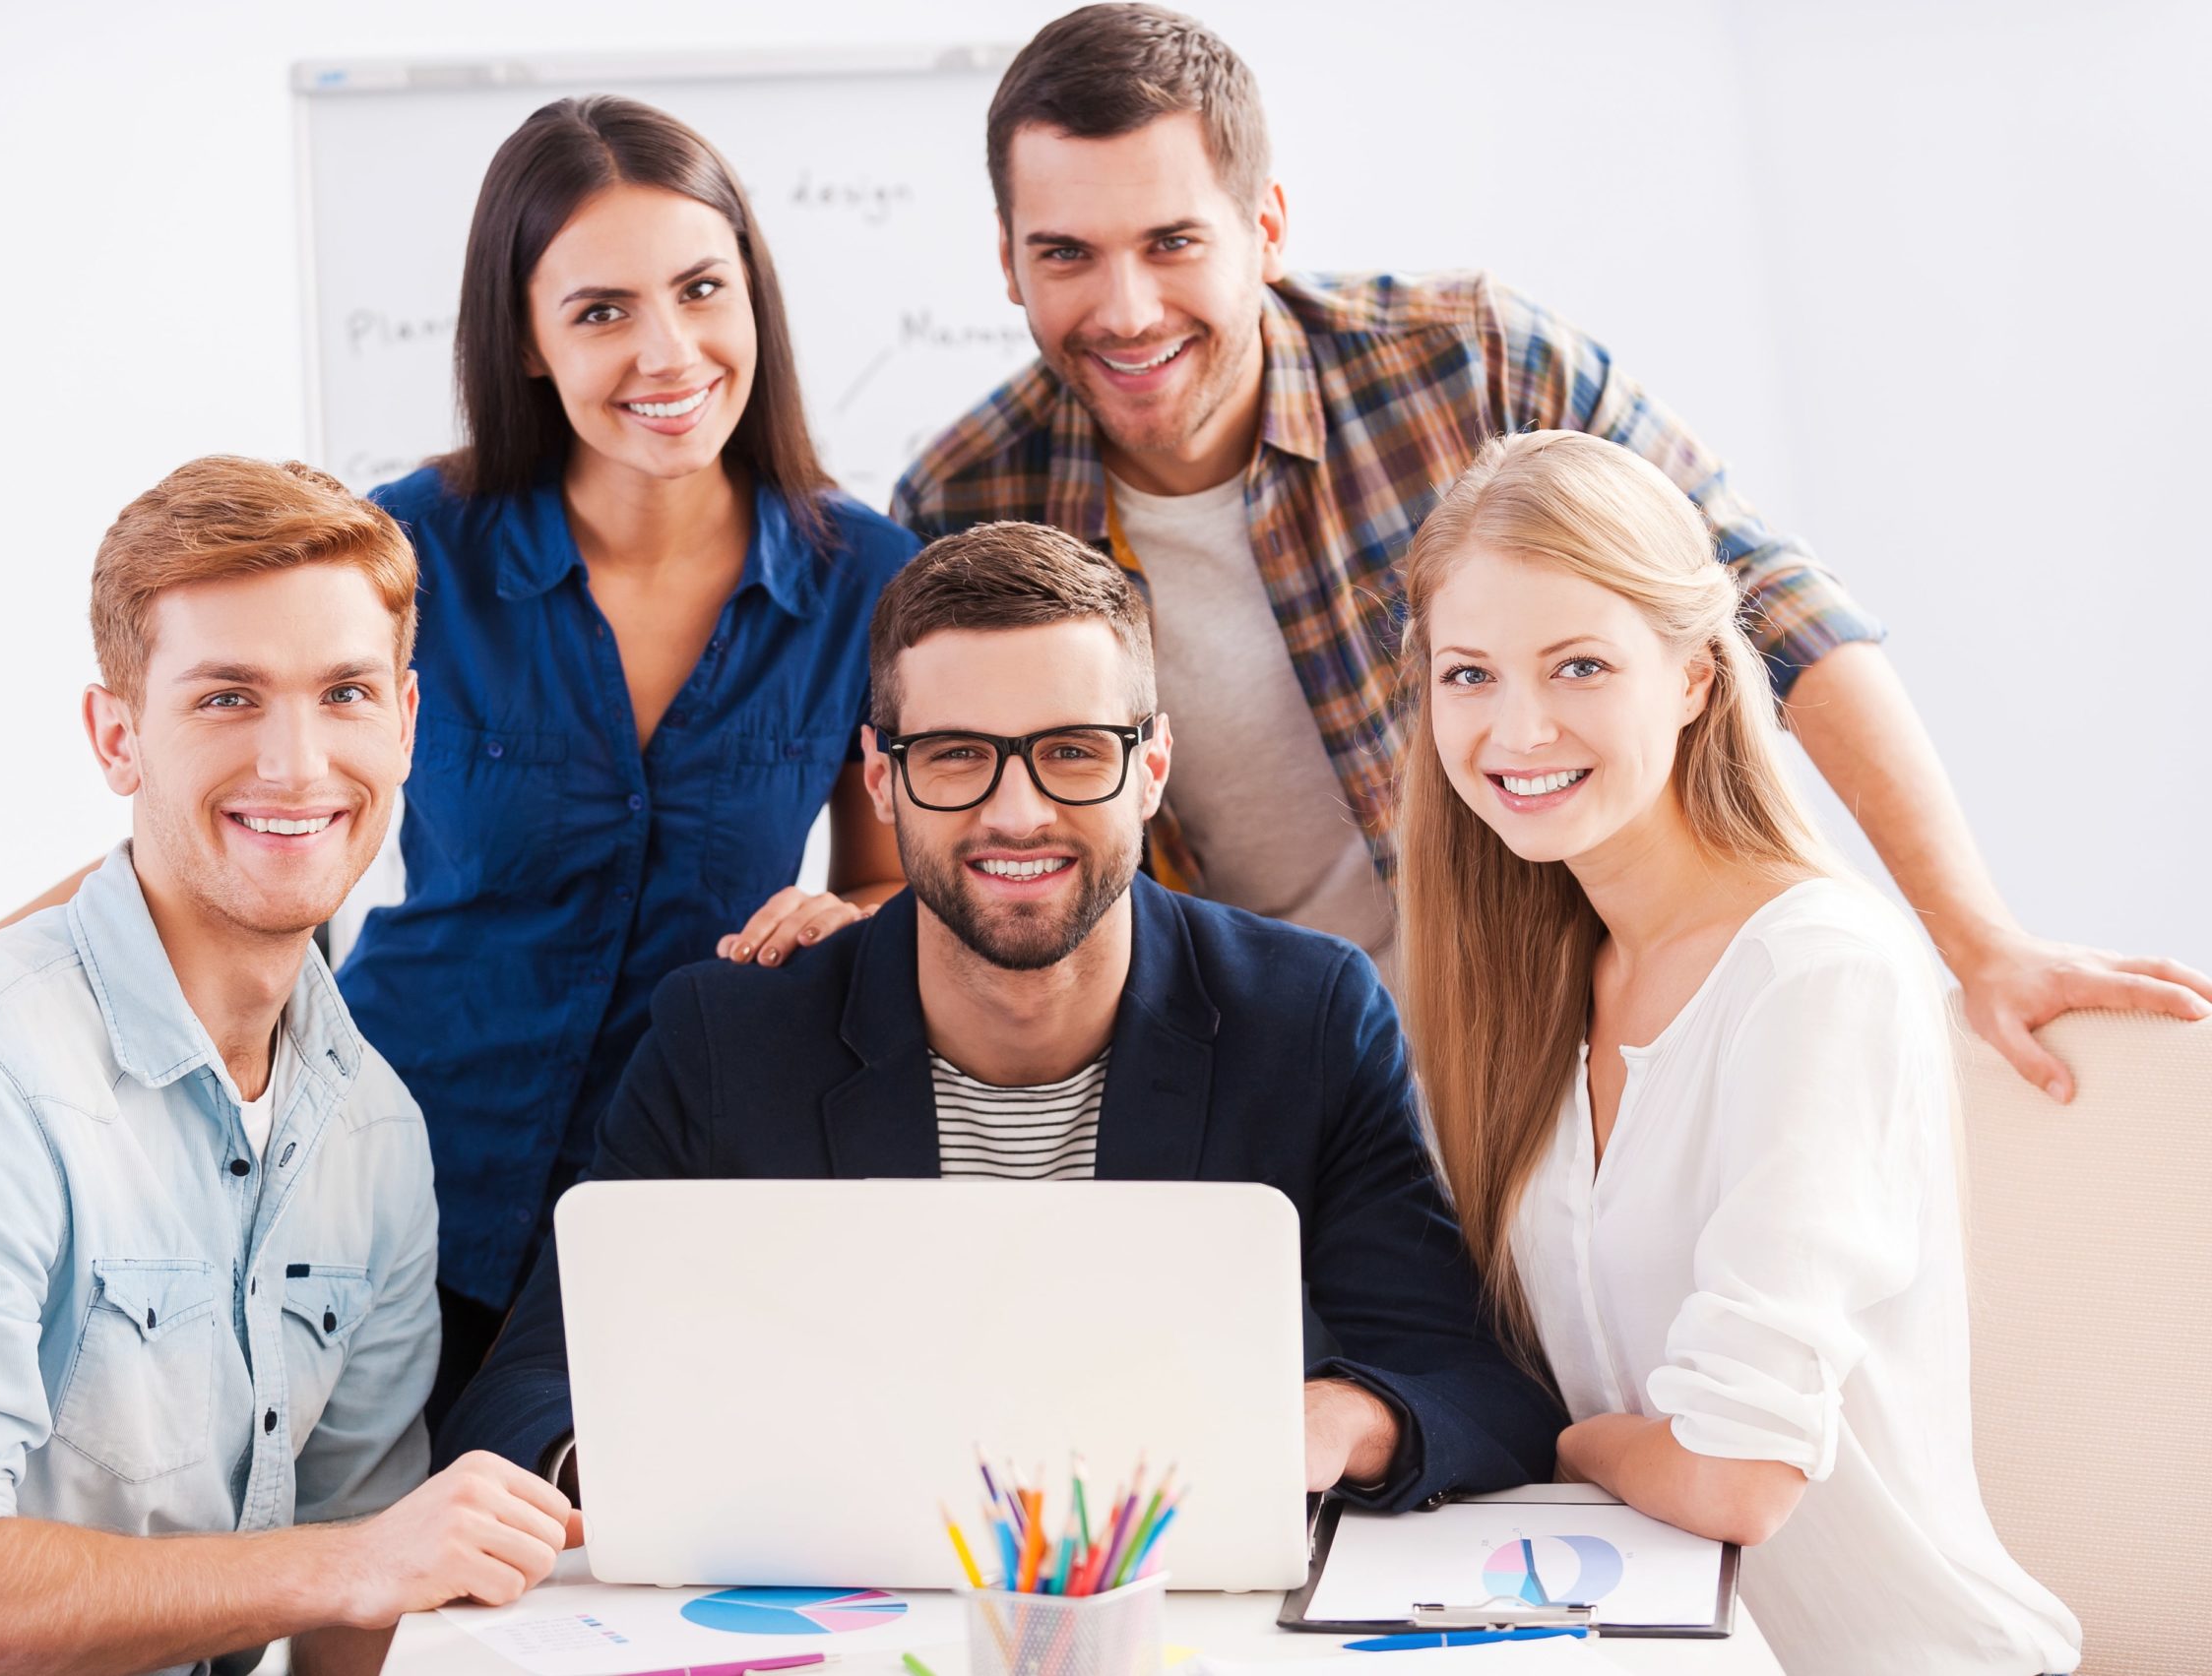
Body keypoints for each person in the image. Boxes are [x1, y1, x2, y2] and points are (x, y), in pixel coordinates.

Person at [0, 96, 920, 1425]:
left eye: (700, 289)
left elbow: (883, 885)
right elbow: (221, 829)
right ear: (523, 337)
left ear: (754, 296)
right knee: (354, 1582)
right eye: (601, 309)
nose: (667, 348)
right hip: (385, 1180)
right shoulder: (412, 546)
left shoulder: (868, 576)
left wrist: (843, 915)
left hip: (682, 1202)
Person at [892, 1, 2211, 1099]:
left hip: (1581, 1036)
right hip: (1283, 1094)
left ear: (1266, 226)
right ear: (1008, 262)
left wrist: (1977, 938)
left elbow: (1768, 601)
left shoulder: (1472, 360)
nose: (1124, 310)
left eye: (1172, 243)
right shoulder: (966, 494)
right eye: (1066, 254)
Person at [435, 521, 1566, 1508]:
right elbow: (524, 1393)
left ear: (1153, 764)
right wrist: (674, 1467)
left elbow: (1474, 1386)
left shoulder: (1304, 1015)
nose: (1015, 812)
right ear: (878, 779)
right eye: (957, 756)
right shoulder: (727, 1039)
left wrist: (1329, 1422)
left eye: (1073, 752)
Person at [0, 458, 579, 1676]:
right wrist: (356, 1557)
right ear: (117, 735)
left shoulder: (375, 1130)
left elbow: (362, 1605)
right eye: (228, 697)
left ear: (405, 723)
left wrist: (383, 1566)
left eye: (342, 693)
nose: (295, 763)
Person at [1395, 430, 2079, 1676]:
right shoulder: (1541, 978)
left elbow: (1734, 1477)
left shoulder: (1812, 969)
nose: (1517, 726)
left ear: (1700, 678)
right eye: (1469, 674)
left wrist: (1575, 1444)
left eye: (1580, 664)